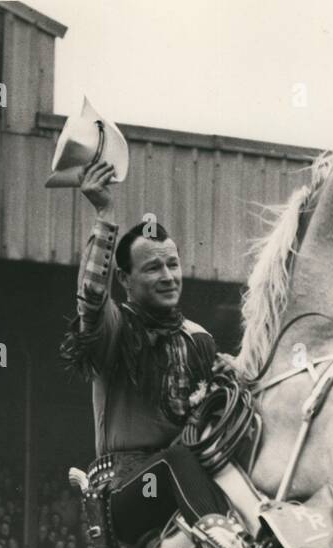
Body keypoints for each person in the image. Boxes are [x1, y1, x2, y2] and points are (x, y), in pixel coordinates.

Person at [61, 161, 218, 502]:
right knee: (177, 460)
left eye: (172, 265)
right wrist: (105, 212)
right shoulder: (115, 330)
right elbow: (90, 295)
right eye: (152, 267)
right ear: (124, 279)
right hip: (126, 490)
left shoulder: (200, 339)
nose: (167, 276)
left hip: (187, 485)